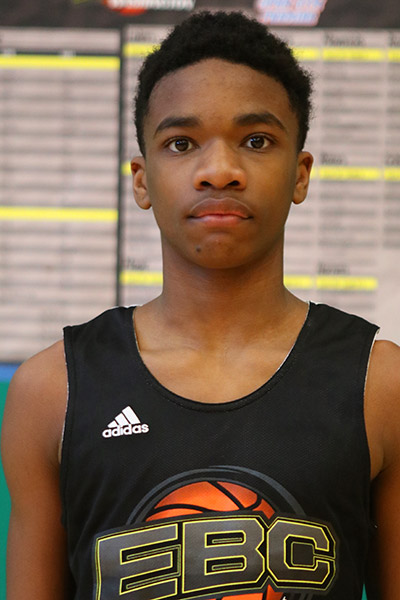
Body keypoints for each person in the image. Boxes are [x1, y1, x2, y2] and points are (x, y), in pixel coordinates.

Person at [1, 10, 400, 600]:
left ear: (301, 174)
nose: (219, 171)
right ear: (142, 179)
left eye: (256, 140)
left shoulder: (379, 384)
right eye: (181, 143)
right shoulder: (52, 390)